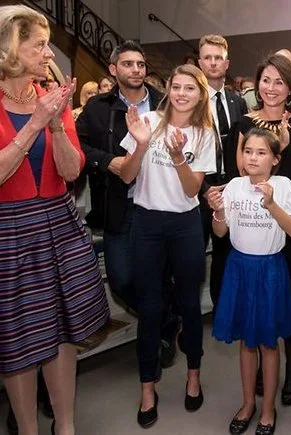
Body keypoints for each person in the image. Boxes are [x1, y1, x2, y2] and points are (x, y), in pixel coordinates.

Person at [0, 5, 110, 435]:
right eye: (39, 44)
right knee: (20, 340)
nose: (49, 53)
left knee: (63, 332)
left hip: (57, 224)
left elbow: (71, 171)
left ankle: (65, 426)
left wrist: (58, 125)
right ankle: (27, 429)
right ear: (10, 49)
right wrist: (35, 126)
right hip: (10, 229)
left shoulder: (51, 95)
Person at [119, 63, 216, 427]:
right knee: (151, 308)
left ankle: (193, 374)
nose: (181, 93)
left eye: (190, 88)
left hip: (185, 225)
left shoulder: (205, 134)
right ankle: (147, 387)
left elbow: (193, 190)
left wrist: (178, 157)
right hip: (146, 223)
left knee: (190, 303)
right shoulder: (148, 122)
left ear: (200, 93)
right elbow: (127, 176)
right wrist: (142, 146)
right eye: (176, 86)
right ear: (168, 89)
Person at [76, 41, 181, 369]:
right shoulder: (97, 108)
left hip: (159, 204)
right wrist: (108, 162)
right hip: (119, 205)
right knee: (121, 278)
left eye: (140, 64)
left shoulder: (166, 103)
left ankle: (160, 334)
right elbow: (79, 145)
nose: (136, 70)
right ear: (113, 69)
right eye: (128, 64)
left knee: (159, 275)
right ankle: (167, 317)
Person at [209, 128, 291, 435]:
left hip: (269, 270)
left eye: (261, 152)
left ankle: (268, 408)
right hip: (240, 268)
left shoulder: (283, 185)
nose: (252, 157)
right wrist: (219, 211)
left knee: (267, 342)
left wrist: (272, 205)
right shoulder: (235, 186)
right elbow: (221, 233)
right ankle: (248, 402)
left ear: (275, 159)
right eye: (248, 151)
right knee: (246, 343)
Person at [236, 53, 291, 407]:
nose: (271, 88)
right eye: (266, 80)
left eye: (279, 82)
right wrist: (275, 152)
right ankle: (258, 370)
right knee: (256, 300)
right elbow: (241, 176)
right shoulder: (244, 124)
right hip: (254, 226)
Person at [197, 34, 247, 309]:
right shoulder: (189, 99)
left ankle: (223, 310)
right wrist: (205, 189)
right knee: (193, 259)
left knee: (225, 253)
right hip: (198, 189)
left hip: (231, 186)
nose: (213, 63)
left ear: (227, 63)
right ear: (199, 62)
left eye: (218, 58)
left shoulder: (236, 101)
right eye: (208, 57)